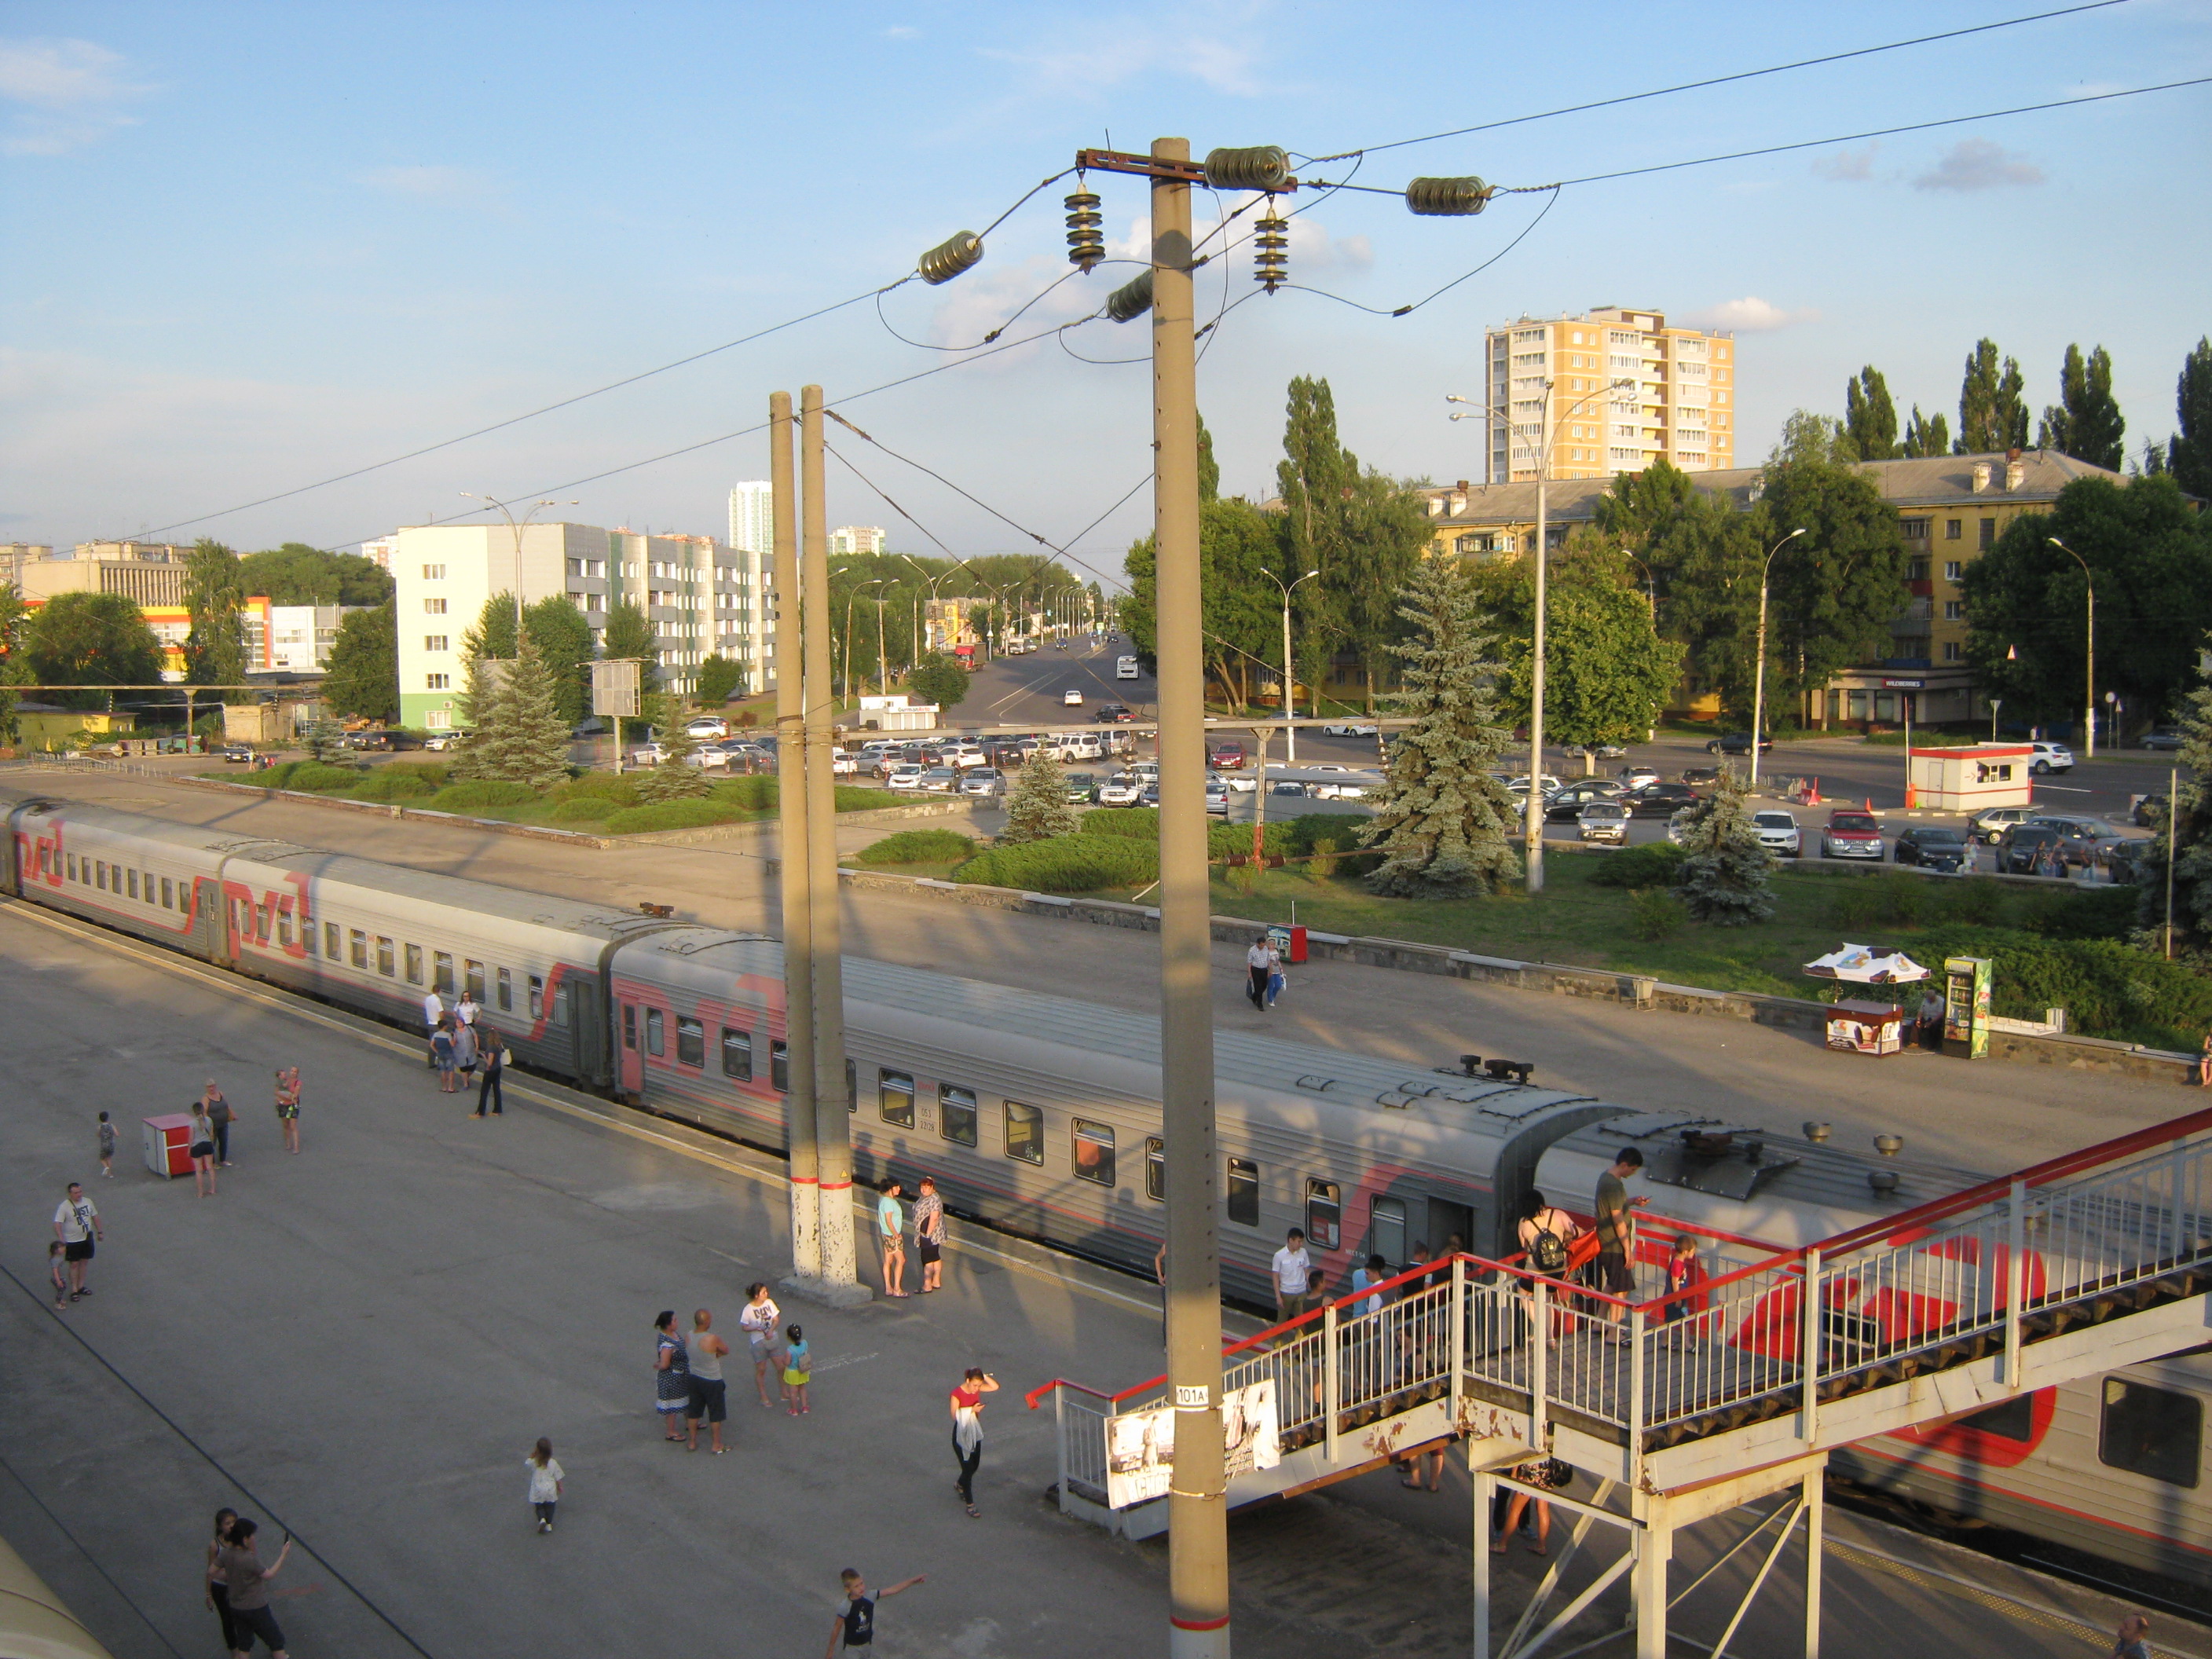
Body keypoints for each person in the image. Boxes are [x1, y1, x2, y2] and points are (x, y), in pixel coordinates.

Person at [218, 1517, 292, 1657]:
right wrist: (283, 1554)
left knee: (244, 1644)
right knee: (276, 1641)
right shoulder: (248, 1559)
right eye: (251, 1535)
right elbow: (269, 1575)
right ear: (245, 1538)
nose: (254, 1538)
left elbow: (212, 1571)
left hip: (236, 1606)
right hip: (256, 1607)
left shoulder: (226, 1553)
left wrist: (230, 1576)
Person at [823, 1569, 925, 1657]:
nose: (861, 1588)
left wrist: (912, 1581)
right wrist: (830, 1650)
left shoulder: (870, 1596)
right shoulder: (845, 1607)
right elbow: (837, 1628)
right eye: (856, 1586)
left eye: (862, 1583)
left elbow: (892, 1590)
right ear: (848, 1589)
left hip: (867, 1643)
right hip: (852, 1648)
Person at [949, 1366, 999, 1517]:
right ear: (967, 1381)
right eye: (974, 1385)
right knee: (968, 1468)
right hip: (961, 1434)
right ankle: (970, 1504)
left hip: (974, 1431)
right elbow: (954, 1415)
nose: (976, 1389)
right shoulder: (957, 1394)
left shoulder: (977, 1388)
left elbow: (995, 1387)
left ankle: (959, 1484)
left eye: (979, 1385)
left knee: (974, 1464)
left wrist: (983, 1376)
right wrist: (972, 1410)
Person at [686, 1308, 730, 1452]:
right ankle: (716, 1444)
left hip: (694, 1377)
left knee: (694, 1411)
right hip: (712, 1379)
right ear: (706, 1322)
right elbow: (725, 1350)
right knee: (715, 1413)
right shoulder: (712, 1339)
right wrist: (717, 1354)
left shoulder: (689, 1336)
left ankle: (692, 1442)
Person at [1493, 1463, 1555, 1557]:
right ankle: (1541, 1546)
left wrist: (1514, 1471)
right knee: (1543, 1509)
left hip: (1530, 1470)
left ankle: (1501, 1544)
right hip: (1547, 1469)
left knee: (1515, 1509)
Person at [52, 1184, 101, 1300]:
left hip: (87, 1237)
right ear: (70, 1194)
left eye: (80, 1191)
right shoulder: (65, 1206)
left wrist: (100, 1231)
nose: (79, 1194)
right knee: (74, 1264)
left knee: (84, 1262)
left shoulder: (88, 1201)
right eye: (76, 1192)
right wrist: (61, 1238)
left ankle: (81, 1286)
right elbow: (57, 1223)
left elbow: (95, 1216)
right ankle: (74, 1289)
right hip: (72, 1240)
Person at [1659, 1233, 1710, 1342]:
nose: (1694, 1253)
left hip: (1681, 1297)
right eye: (1693, 1251)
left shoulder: (1678, 1261)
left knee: (1684, 1319)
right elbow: (1674, 1280)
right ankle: (1666, 1342)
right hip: (1674, 1297)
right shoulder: (1677, 1264)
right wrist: (1677, 1298)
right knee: (1670, 1321)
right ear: (1686, 1252)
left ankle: (1686, 1343)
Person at [739, 1283, 783, 1408]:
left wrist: (771, 1330)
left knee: (781, 1367)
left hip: (772, 1339)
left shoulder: (769, 1303)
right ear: (756, 1295)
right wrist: (754, 1327)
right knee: (761, 1369)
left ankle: (784, 1392)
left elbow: (776, 1319)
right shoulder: (748, 1309)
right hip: (758, 1342)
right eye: (764, 1292)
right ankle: (764, 1397)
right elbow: (744, 1327)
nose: (766, 1294)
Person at [205, 1507, 240, 1653]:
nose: (231, 1525)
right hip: (221, 1587)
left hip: (239, 1585)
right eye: (227, 1523)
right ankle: (234, 1649)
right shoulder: (215, 1545)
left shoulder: (242, 1539)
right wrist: (208, 1594)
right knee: (228, 1619)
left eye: (234, 1522)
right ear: (220, 1526)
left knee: (249, 1614)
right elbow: (210, 1571)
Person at [653, 1309, 690, 1442]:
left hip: (682, 1376)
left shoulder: (672, 1334)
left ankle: (691, 1423)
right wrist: (658, 1365)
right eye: (674, 1320)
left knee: (687, 1399)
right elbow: (665, 1364)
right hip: (672, 1379)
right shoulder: (667, 1344)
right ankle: (671, 1432)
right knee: (671, 1406)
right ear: (668, 1325)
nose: (677, 1322)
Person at [1271, 1227, 1313, 1328]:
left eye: (1302, 1241)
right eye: (1299, 1241)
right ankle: (1278, 1343)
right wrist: (1278, 1297)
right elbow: (1275, 1276)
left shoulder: (1303, 1253)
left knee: (1301, 1322)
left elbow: (1306, 1270)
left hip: (1301, 1292)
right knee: (1282, 1321)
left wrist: (1311, 1286)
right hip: (1286, 1293)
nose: (1301, 1244)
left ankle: (1300, 1342)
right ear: (1291, 1240)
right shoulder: (1279, 1256)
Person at [913, 1175, 946, 1294]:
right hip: (935, 1235)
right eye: (922, 1187)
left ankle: (927, 1285)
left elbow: (934, 1217)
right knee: (935, 1256)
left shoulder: (933, 1200)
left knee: (927, 1259)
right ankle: (936, 1281)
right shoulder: (931, 1197)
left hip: (930, 1235)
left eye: (927, 1187)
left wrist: (927, 1234)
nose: (924, 1189)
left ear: (932, 1188)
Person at [876, 1181, 908, 1298]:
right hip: (892, 1236)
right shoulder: (889, 1202)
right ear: (891, 1188)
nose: (899, 1189)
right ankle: (897, 1289)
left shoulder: (883, 1200)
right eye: (897, 1187)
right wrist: (896, 1234)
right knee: (901, 1260)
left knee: (888, 1260)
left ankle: (888, 1288)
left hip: (886, 1234)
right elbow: (889, 1220)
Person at [526, 1437, 564, 1533]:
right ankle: (549, 1524)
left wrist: (533, 1455)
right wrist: (560, 1486)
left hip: (538, 1488)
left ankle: (542, 1519)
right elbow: (558, 1476)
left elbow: (527, 1463)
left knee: (539, 1506)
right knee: (550, 1506)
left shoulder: (535, 1462)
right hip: (550, 1489)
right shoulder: (553, 1463)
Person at [202, 1080, 236, 1167]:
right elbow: (204, 1112)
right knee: (212, 1143)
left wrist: (232, 1114)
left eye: (213, 1086)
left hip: (223, 1123)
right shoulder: (206, 1099)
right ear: (207, 1088)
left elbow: (226, 1106)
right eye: (209, 1087)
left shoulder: (220, 1094)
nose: (212, 1088)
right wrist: (207, 1124)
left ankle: (223, 1160)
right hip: (213, 1125)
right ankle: (212, 1163)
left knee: (223, 1141)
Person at [189, 1101, 218, 1198]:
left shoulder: (192, 1123)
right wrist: (212, 1144)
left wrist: (189, 1149)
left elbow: (191, 1138)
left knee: (199, 1170)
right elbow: (212, 1134)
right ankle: (213, 1189)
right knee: (210, 1168)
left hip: (197, 1146)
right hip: (207, 1144)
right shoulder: (209, 1120)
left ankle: (200, 1193)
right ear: (203, 1110)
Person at [474, 1027, 505, 1118]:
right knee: (496, 1090)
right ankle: (497, 1110)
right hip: (498, 1069)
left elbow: (490, 1063)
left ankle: (480, 1112)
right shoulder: (499, 1045)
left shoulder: (491, 1048)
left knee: (484, 1091)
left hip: (490, 1071)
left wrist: (483, 1055)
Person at [782, 1324, 811, 1415]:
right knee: (802, 1388)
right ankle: (805, 1406)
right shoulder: (805, 1343)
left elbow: (787, 1362)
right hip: (803, 1369)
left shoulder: (790, 1350)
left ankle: (794, 1409)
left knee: (793, 1391)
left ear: (789, 1337)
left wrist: (783, 1360)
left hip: (793, 1372)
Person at [273, 1067, 301, 1154]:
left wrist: (285, 1096)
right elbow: (276, 1092)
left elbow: (295, 1095)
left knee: (293, 1126)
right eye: (292, 1071)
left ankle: (296, 1147)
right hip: (283, 1105)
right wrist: (281, 1098)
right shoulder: (284, 1080)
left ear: (297, 1073)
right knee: (286, 1125)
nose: (293, 1073)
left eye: (295, 1071)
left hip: (293, 1105)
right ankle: (288, 1143)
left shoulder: (298, 1083)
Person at [1245, 934, 1272, 1011]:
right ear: (1258, 944)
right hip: (1256, 970)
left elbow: (1268, 959)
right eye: (1262, 945)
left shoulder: (1266, 949)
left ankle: (1254, 996)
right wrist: (1249, 972)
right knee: (1258, 987)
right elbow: (1249, 962)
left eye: (1264, 945)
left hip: (1264, 969)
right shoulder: (1252, 950)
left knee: (1264, 985)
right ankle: (1260, 1004)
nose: (1263, 946)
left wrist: (1270, 970)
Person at [431, 1017, 458, 1093]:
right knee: (451, 1071)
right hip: (448, 1054)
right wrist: (455, 1037)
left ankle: (444, 1087)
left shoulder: (435, 1034)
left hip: (440, 1054)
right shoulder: (448, 1035)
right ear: (444, 1026)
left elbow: (432, 1045)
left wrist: (437, 1051)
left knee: (443, 1071)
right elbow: (453, 1045)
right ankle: (451, 1088)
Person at [452, 1018, 479, 1086]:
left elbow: (475, 1036)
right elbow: (453, 1043)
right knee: (463, 1068)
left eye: (461, 1022)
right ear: (455, 1024)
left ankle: (466, 1078)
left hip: (471, 1051)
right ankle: (465, 1084)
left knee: (472, 1066)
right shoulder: (454, 1032)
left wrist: (477, 1046)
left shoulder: (469, 1028)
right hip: (459, 1052)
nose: (459, 1024)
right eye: (458, 1022)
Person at [422, 987, 445, 1067]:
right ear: (439, 991)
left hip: (430, 1024)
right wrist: (443, 1023)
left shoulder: (427, 999)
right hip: (437, 1025)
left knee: (432, 1044)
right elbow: (441, 1012)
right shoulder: (437, 1000)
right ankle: (440, 1064)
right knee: (440, 1044)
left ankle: (431, 1063)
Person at [1265, 938, 1286, 1009]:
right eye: (1271, 944)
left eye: (1274, 944)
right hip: (1271, 971)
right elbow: (1268, 962)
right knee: (1270, 986)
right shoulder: (1267, 952)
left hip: (1277, 971)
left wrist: (1281, 968)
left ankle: (1273, 995)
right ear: (1268, 945)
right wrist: (1270, 970)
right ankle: (1270, 1000)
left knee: (1278, 985)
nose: (1273, 946)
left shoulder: (1276, 951)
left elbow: (1278, 961)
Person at [46, 1241, 68, 1309]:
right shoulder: (55, 1260)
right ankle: (58, 1303)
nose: (64, 1249)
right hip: (57, 1278)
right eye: (61, 1248)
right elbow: (55, 1271)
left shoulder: (58, 1257)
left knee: (63, 1288)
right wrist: (58, 1281)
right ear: (56, 1250)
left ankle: (60, 1300)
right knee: (61, 1289)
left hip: (60, 1277)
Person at [97, 1111, 115, 1178]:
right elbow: (117, 1134)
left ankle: (106, 1167)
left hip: (104, 1145)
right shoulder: (112, 1125)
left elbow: (98, 1135)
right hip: (111, 1144)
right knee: (109, 1158)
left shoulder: (100, 1127)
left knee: (102, 1159)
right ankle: (110, 1174)